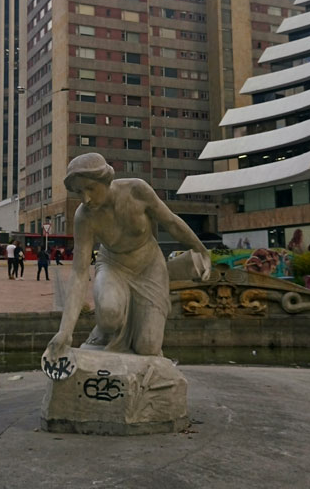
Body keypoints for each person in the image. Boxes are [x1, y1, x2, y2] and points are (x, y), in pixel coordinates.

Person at [43, 153, 211, 366]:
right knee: (110, 314)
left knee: (148, 346)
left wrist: (200, 249)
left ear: (106, 180)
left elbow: (171, 222)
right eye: (79, 192)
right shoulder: (84, 217)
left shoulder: (136, 191)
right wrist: (65, 331)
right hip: (113, 265)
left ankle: (123, 332)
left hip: (149, 266)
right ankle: (103, 331)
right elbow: (79, 272)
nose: (85, 198)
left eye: (90, 188)